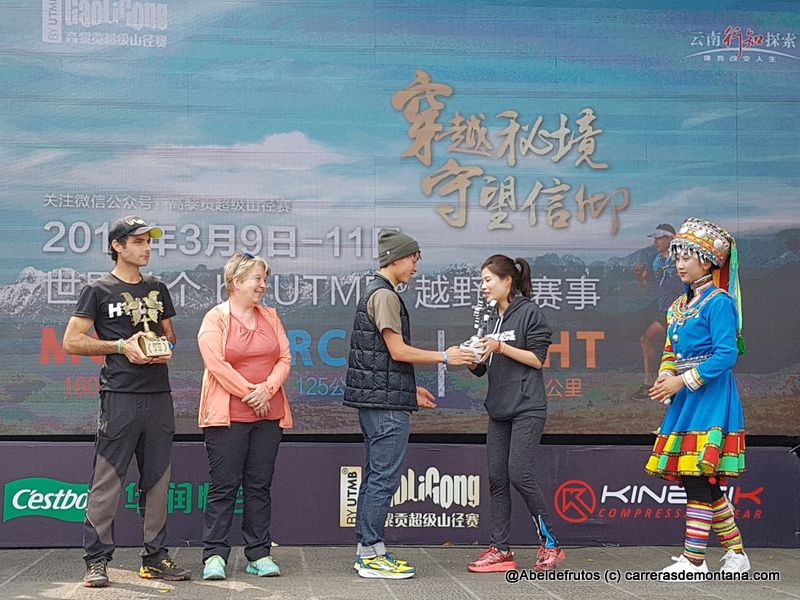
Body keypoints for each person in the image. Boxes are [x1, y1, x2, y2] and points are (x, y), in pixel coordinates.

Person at [62, 216, 191, 587]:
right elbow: (71, 341)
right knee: (108, 480)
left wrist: (163, 348)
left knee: (158, 481)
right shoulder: (98, 290)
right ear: (117, 246)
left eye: (149, 241)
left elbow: (170, 336)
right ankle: (96, 560)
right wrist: (120, 346)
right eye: (137, 241)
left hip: (158, 394)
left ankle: (155, 558)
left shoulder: (158, 288)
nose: (146, 247)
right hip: (119, 395)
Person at [343, 229, 475, 579]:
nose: (416, 267)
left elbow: (380, 360)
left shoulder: (378, 291)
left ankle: (370, 551)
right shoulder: (384, 295)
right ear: (396, 258)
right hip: (385, 409)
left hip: (381, 401)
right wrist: (446, 357)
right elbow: (397, 351)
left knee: (377, 477)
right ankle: (370, 556)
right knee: (383, 479)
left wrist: (408, 390)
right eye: (413, 259)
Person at [646, 217, 749, 576]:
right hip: (687, 398)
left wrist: (683, 380)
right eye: (677, 258)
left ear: (707, 262)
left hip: (710, 394)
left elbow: (726, 354)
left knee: (696, 475)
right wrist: (665, 375)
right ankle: (736, 553)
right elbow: (670, 349)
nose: (680, 264)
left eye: (687, 257)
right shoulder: (677, 306)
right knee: (703, 479)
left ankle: (694, 561)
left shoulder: (718, 302)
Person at [465, 255, 565, 573]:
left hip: (527, 407)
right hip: (499, 408)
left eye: (488, 280)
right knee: (497, 478)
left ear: (507, 281)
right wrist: (472, 359)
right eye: (482, 281)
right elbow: (483, 367)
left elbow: (537, 359)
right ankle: (501, 550)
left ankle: (551, 544)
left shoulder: (529, 312)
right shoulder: (491, 317)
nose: (483, 286)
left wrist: (500, 346)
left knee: (519, 473)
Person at [196, 252, 293, 580]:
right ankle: (214, 556)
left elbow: (284, 359)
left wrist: (267, 390)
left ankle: (259, 554)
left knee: (259, 486)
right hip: (227, 417)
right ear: (236, 282)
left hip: (269, 415)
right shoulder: (215, 318)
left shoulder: (271, 316)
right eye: (257, 279)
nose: (263, 285)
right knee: (224, 486)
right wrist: (252, 394)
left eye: (265, 280)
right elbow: (216, 364)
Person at [630, 224, 683, 401]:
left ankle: (674, 386)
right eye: (655, 238)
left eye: (659, 238)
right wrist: (639, 276)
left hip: (684, 311)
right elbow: (648, 287)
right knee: (648, 339)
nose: (655, 242)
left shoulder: (683, 257)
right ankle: (650, 385)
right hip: (666, 312)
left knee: (681, 347)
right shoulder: (656, 261)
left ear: (671, 238)